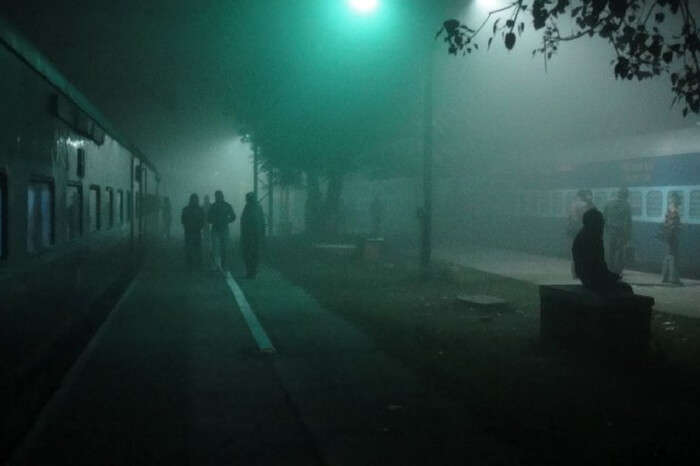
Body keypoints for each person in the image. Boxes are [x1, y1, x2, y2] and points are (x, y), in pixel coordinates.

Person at [572, 208, 632, 294]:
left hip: (587, 276)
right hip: (591, 278)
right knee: (626, 289)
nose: (603, 223)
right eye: (601, 221)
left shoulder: (585, 235)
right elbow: (595, 265)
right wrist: (609, 276)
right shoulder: (591, 238)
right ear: (595, 222)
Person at [603, 187, 632, 275]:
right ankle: (617, 272)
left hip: (609, 232)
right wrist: (628, 235)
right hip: (621, 233)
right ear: (626, 195)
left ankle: (609, 270)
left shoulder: (609, 203)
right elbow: (628, 222)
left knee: (609, 252)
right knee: (619, 253)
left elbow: (604, 218)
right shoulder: (627, 205)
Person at [567, 189, 594, 278]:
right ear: (583, 196)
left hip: (572, 231)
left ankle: (574, 273)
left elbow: (570, 218)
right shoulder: (584, 205)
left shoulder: (572, 204)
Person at [208, 190, 236, 270]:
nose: (218, 197)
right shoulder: (220, 205)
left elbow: (233, 216)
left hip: (221, 229)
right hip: (218, 229)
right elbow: (208, 218)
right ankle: (218, 265)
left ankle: (221, 265)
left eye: (219, 196)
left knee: (222, 248)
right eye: (217, 196)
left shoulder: (221, 205)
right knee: (217, 248)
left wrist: (227, 220)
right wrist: (226, 220)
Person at [240, 192, 266, 278]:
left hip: (252, 234)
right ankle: (252, 271)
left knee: (251, 253)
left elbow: (244, 221)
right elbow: (262, 221)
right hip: (252, 234)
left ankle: (251, 271)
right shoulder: (256, 207)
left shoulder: (249, 208)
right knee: (252, 253)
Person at [660, 192, 683, 285]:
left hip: (668, 236)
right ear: (675, 199)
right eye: (678, 199)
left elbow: (668, 223)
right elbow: (672, 224)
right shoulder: (674, 209)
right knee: (673, 257)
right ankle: (673, 278)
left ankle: (664, 277)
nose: (680, 201)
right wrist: (678, 227)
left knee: (668, 257)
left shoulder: (670, 208)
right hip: (672, 236)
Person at [181, 193, 205, 269]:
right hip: (189, 231)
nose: (194, 201)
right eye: (193, 199)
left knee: (197, 247)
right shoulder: (186, 209)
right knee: (189, 247)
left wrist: (200, 227)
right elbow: (183, 219)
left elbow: (202, 219)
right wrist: (186, 226)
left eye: (195, 199)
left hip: (196, 231)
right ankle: (190, 261)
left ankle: (198, 262)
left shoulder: (199, 209)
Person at [202, 194, 213, 267]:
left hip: (209, 221)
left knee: (207, 232)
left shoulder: (208, 206)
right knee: (206, 231)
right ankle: (207, 241)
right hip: (206, 221)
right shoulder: (209, 205)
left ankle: (208, 241)